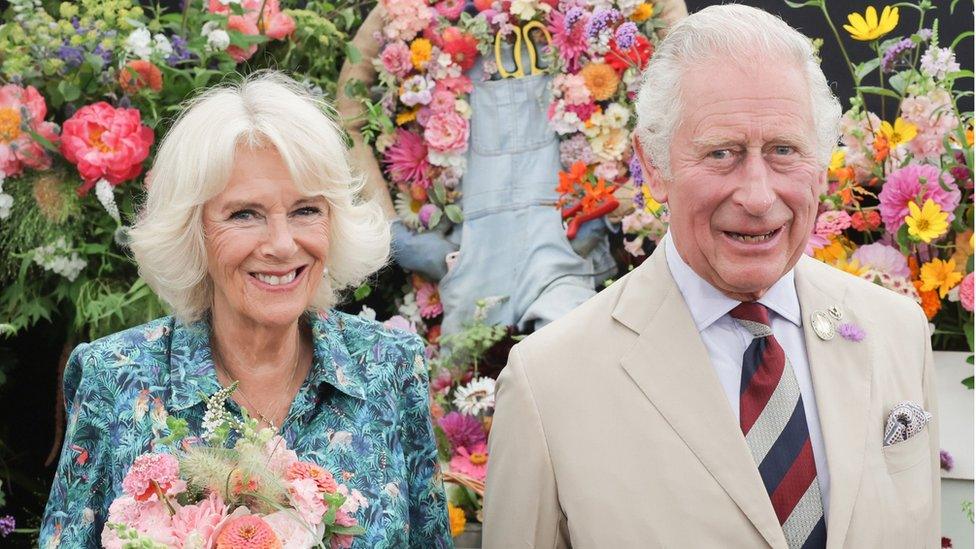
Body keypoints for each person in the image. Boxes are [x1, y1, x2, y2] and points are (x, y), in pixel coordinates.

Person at [483, 5, 940, 548]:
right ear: (654, 166)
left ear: (821, 164)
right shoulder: (547, 384)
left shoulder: (898, 331)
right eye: (721, 153)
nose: (757, 195)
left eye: (784, 151)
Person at [40, 71, 453, 548]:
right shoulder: (114, 376)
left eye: (305, 210)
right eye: (244, 214)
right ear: (192, 230)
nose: (281, 244)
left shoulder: (389, 366)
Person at [335, 0, 689, 334]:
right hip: (468, 261)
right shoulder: (411, 10)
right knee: (467, 382)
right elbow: (347, 116)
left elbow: (689, 82)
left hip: (567, 253)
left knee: (572, 378)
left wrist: (633, 196)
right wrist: (398, 234)